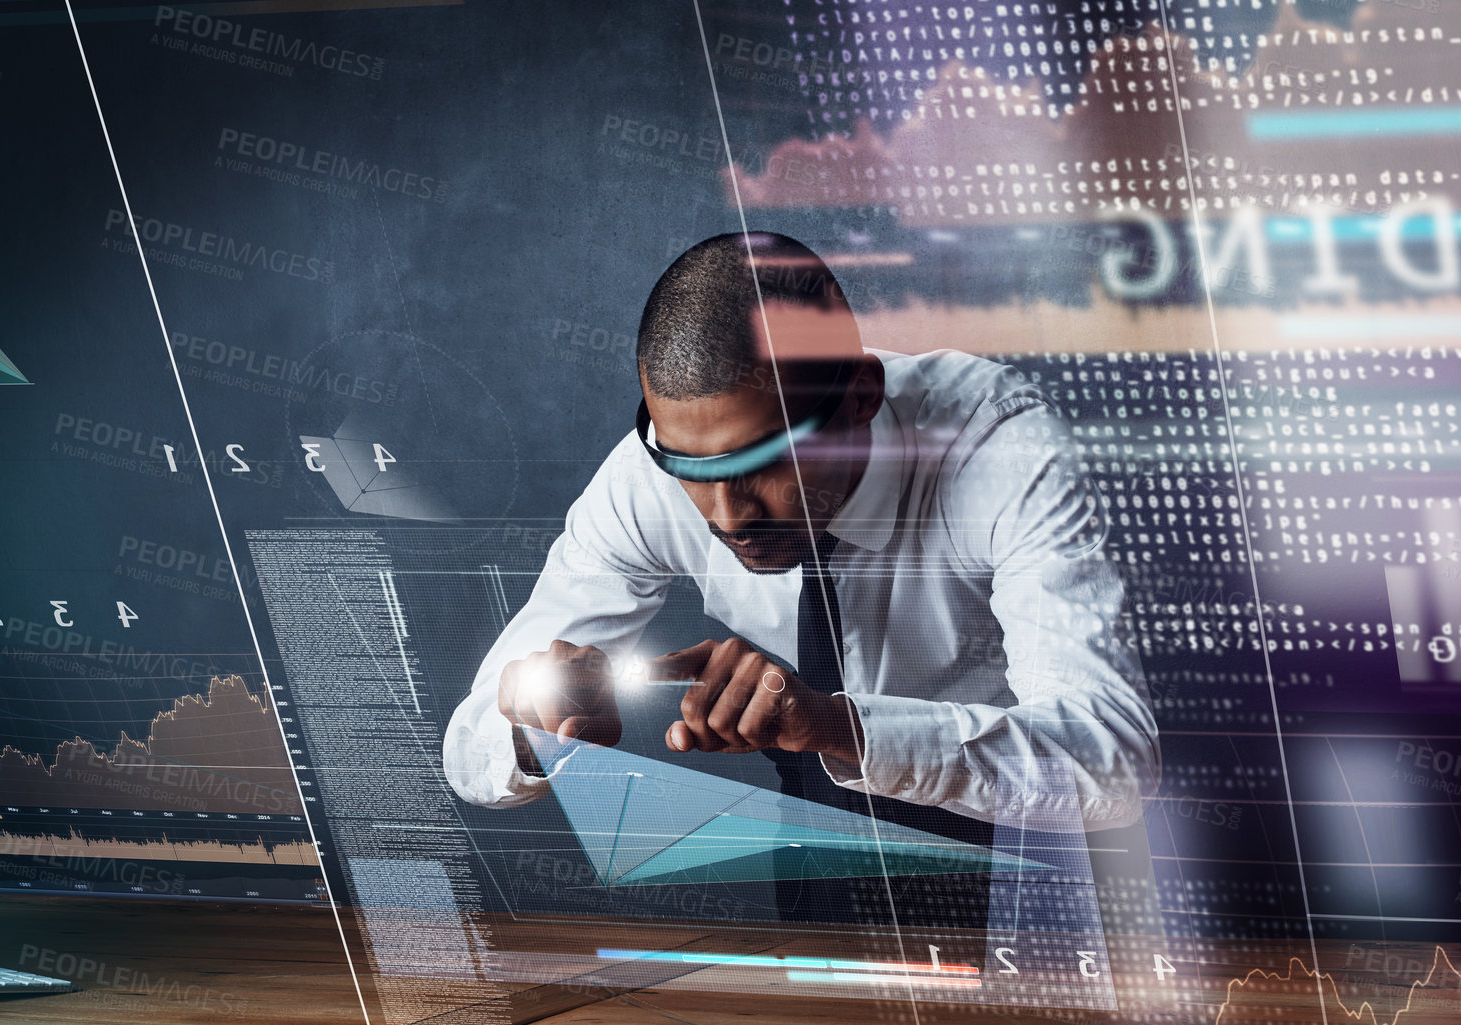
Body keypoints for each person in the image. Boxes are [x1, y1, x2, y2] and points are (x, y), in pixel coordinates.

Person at [443, 231, 1156, 921]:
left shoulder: (995, 446)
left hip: (1026, 875)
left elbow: (1111, 760)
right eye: (692, 469)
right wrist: (537, 728)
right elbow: (469, 742)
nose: (727, 515)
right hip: (817, 863)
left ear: (860, 396)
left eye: (760, 461)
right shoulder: (647, 471)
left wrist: (830, 721)